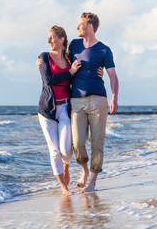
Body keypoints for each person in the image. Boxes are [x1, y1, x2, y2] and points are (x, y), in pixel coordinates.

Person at [69, 12, 119, 193]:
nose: (77, 27)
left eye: (80, 24)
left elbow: (113, 76)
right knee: (77, 142)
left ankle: (93, 181)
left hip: (98, 101)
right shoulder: (74, 45)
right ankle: (83, 171)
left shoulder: (104, 50)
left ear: (90, 26)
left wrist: (114, 98)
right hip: (77, 102)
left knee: (97, 143)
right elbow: (60, 59)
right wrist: (42, 61)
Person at [38, 25, 81, 195]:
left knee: (66, 150)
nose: (49, 41)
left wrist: (99, 73)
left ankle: (66, 165)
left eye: (52, 37)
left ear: (62, 39)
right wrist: (70, 72)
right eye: (48, 38)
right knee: (54, 150)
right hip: (47, 110)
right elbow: (48, 80)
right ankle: (63, 187)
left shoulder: (70, 59)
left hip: (65, 108)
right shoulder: (44, 57)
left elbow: (81, 75)